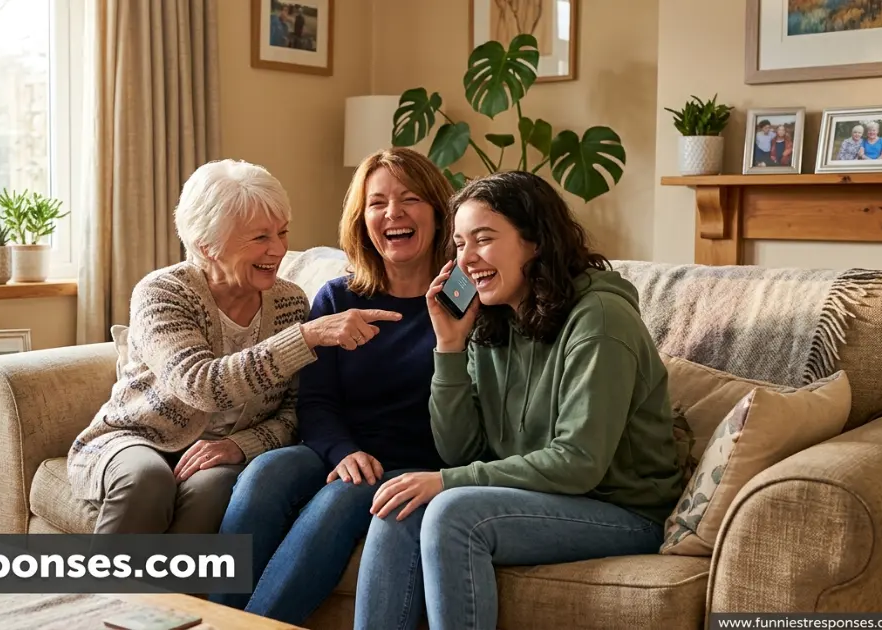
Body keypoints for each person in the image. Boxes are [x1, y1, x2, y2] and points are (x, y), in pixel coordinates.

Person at [356, 171, 684, 630]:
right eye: (459, 244)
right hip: (529, 496)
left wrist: (449, 482)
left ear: (535, 242)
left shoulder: (601, 319)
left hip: (624, 510)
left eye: (483, 240)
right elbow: (460, 452)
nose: (466, 260)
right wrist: (449, 347)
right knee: (401, 504)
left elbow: (579, 462)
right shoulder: (492, 318)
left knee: (453, 512)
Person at [66, 159, 402, 535]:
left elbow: (297, 410)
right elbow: (200, 384)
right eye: (260, 238)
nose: (277, 249)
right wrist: (305, 337)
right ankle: (102, 594)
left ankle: (176, 596)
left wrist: (240, 444)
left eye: (282, 232)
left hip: (220, 452)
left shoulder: (290, 303)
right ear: (207, 245)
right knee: (147, 482)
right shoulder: (163, 293)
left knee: (214, 489)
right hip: (136, 438)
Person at [213, 148, 454, 624]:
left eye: (410, 200)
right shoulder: (338, 297)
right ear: (362, 219)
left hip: (415, 463)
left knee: (340, 498)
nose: (393, 214)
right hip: (342, 450)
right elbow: (317, 400)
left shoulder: (462, 301)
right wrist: (342, 451)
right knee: (266, 473)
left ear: (438, 211)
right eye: (377, 202)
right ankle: (215, 617)